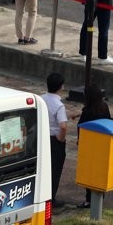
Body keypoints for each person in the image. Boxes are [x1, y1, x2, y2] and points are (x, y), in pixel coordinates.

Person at [76, 83, 112, 207]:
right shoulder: (104, 107)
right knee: (100, 170)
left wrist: (79, 142)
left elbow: (81, 127)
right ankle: (99, 196)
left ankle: (89, 200)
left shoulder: (87, 111)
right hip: (103, 144)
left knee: (89, 173)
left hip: (89, 146)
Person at [44, 71, 67, 206]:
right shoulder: (59, 105)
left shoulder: (42, 98)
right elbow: (63, 126)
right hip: (55, 140)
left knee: (45, 168)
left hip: (44, 137)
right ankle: (52, 198)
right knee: (55, 169)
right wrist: (60, 138)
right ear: (61, 87)